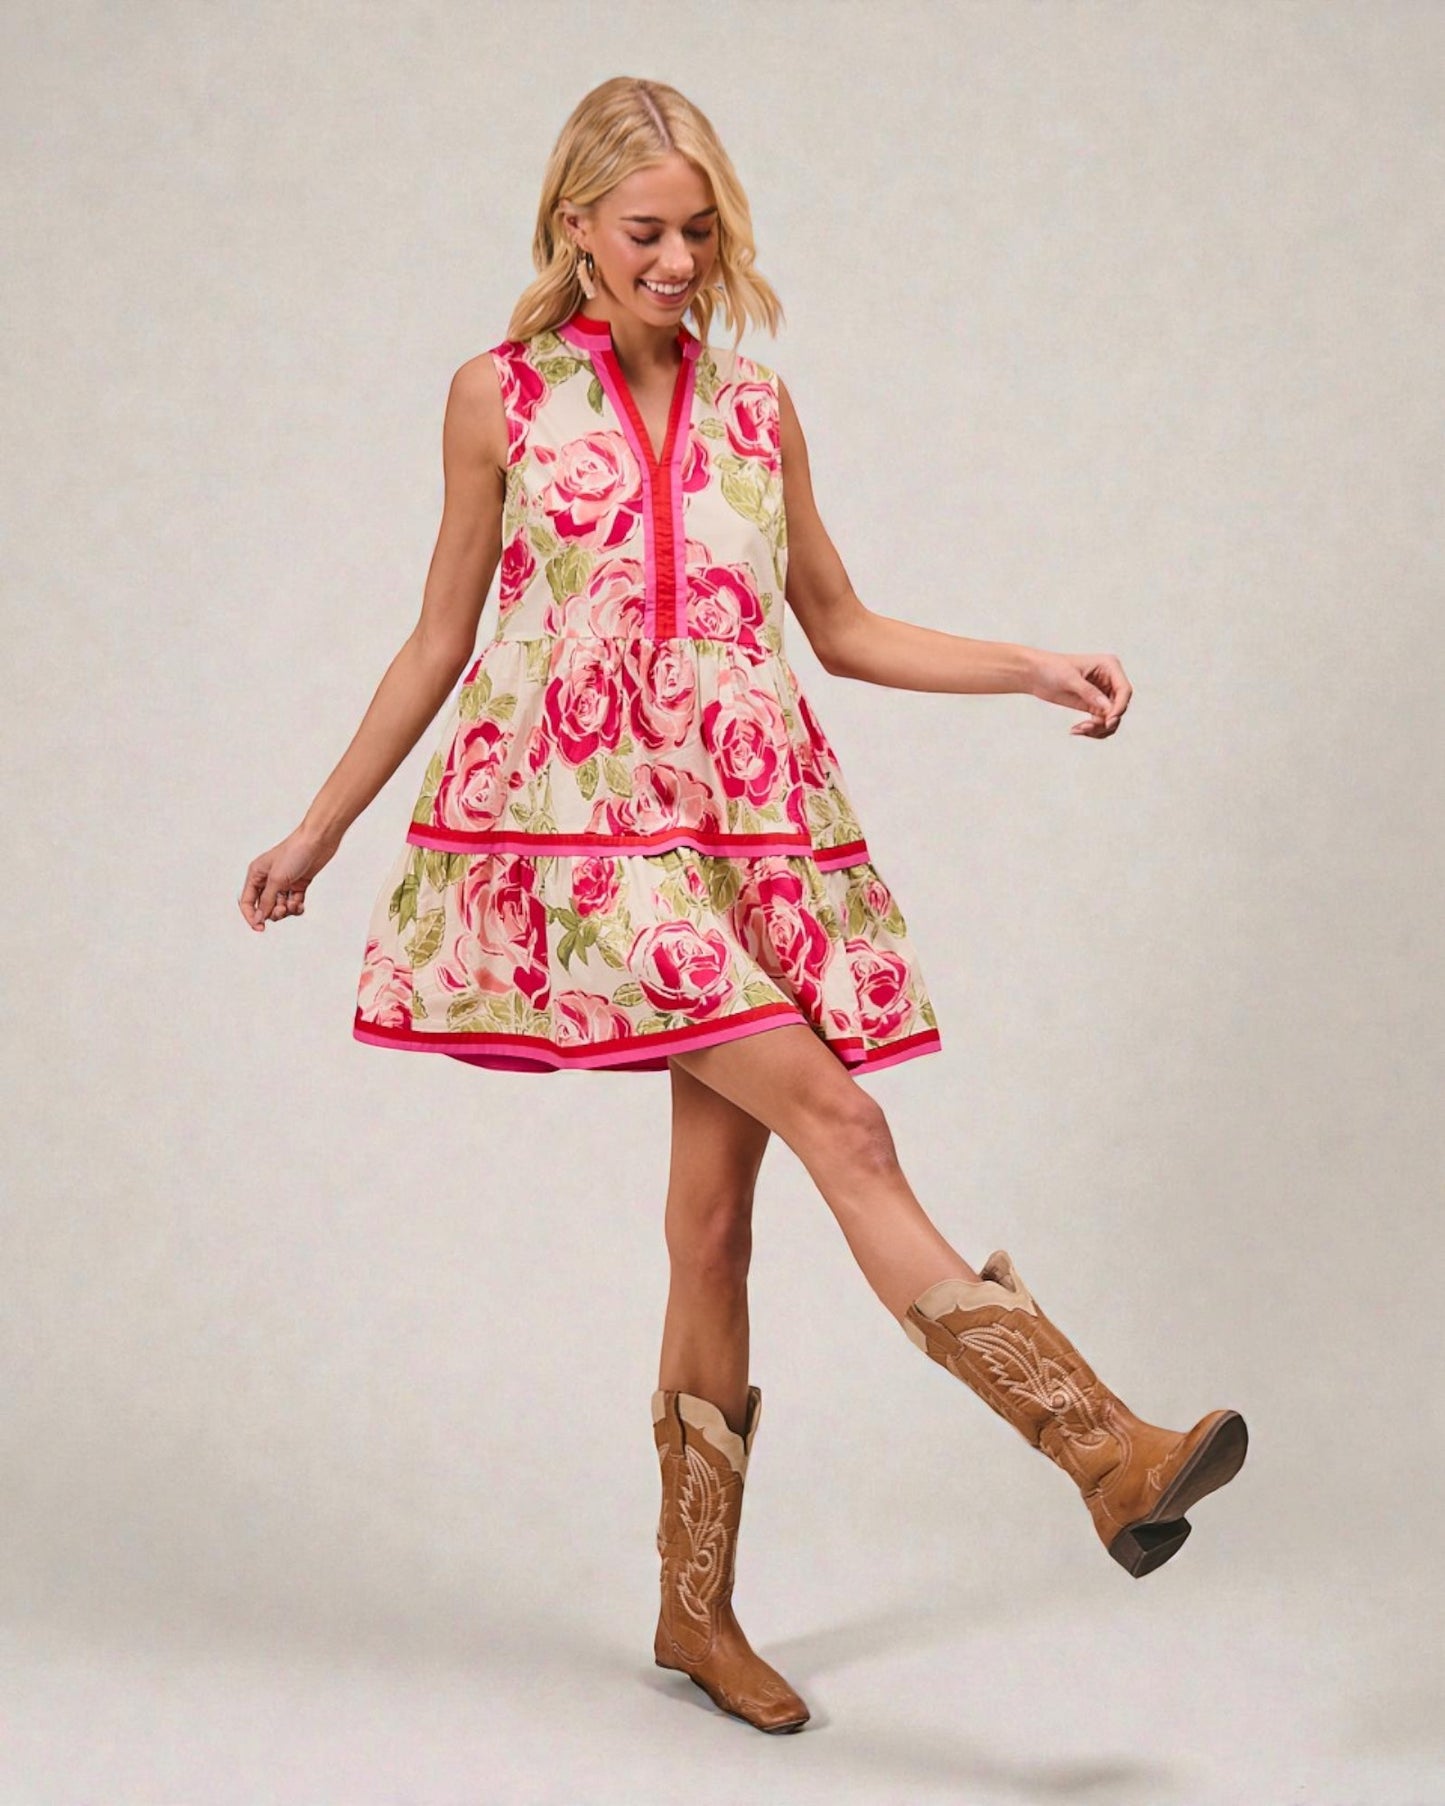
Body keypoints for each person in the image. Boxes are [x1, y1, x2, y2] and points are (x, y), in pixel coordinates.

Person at [239, 76, 1248, 1736]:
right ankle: (1097, 1446)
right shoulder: (495, 397)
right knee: (846, 1123)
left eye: (699, 232)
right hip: (595, 845)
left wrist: (1026, 664)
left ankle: (693, 1609)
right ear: (572, 225)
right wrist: (316, 829)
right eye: (644, 231)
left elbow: (835, 627)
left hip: (742, 831)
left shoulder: (757, 411)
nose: (677, 260)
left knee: (716, 1227)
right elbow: (437, 637)